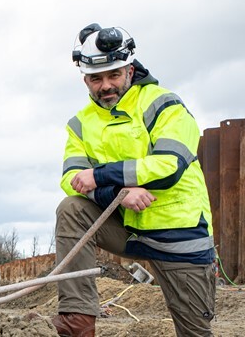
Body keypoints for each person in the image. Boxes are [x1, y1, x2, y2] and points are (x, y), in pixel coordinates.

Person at [51, 24, 217, 337]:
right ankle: (77, 327)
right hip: (127, 228)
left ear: (129, 69)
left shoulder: (164, 105)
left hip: (179, 236)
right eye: (95, 79)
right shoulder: (81, 123)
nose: (105, 86)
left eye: (113, 75)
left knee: (195, 332)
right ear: (85, 79)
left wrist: (101, 176)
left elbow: (170, 165)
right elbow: (72, 179)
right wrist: (119, 193)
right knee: (71, 209)